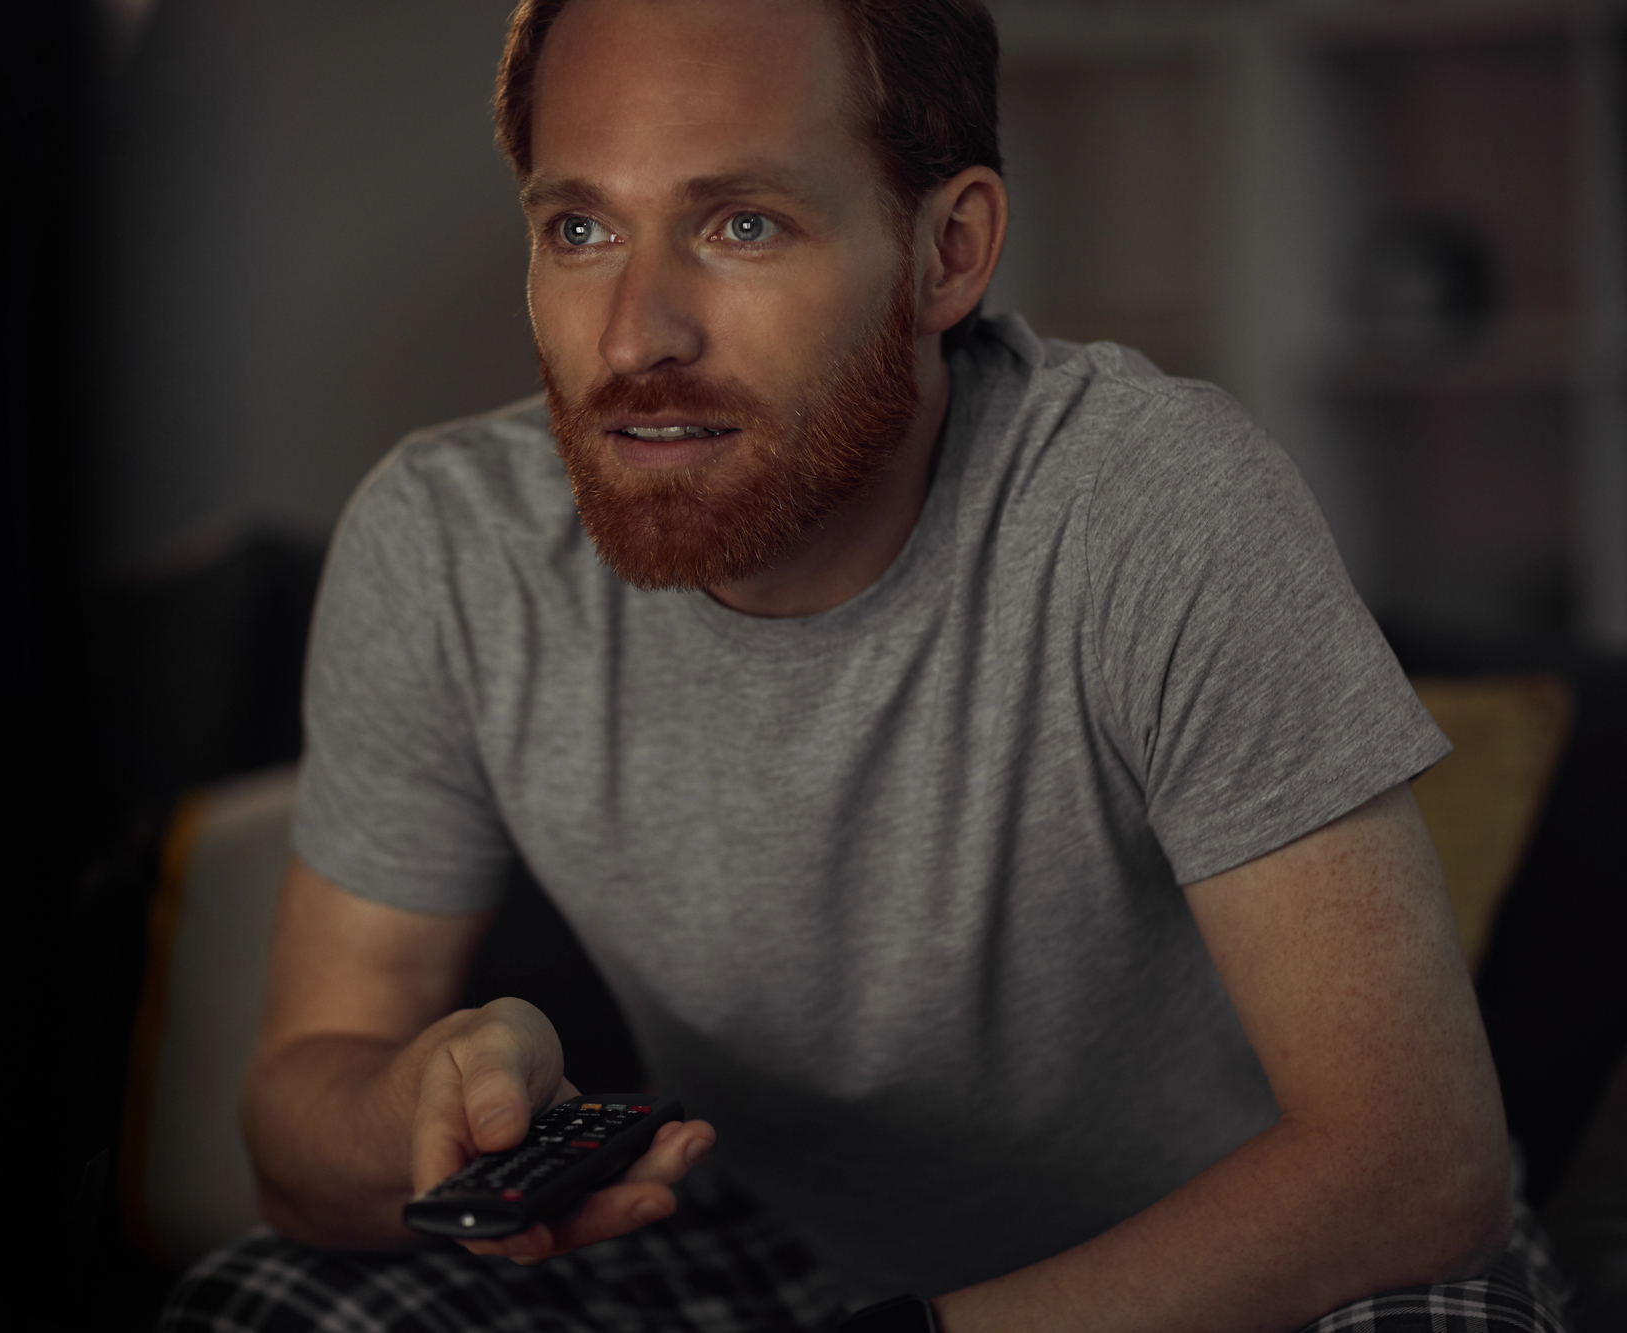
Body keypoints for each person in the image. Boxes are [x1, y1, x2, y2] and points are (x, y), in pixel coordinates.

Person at [164, 1, 1569, 1329]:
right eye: (582, 225)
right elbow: (301, 1127)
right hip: (791, 1250)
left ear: (947, 253)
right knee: (269, 1299)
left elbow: (1414, 1168)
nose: (637, 332)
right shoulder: (444, 542)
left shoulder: (1156, 503)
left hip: (1265, 1258)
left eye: (743, 221)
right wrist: (420, 1100)